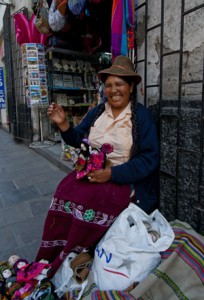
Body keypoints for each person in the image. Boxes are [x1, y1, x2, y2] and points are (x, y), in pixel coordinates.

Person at [35, 55, 159, 277]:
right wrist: (64, 125)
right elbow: (79, 139)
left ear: (131, 86)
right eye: (109, 85)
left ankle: (75, 252)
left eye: (119, 84)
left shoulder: (142, 117)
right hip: (91, 173)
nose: (113, 90)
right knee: (63, 192)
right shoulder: (97, 112)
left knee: (86, 203)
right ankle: (56, 253)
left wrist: (111, 174)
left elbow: (149, 159)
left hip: (123, 180)